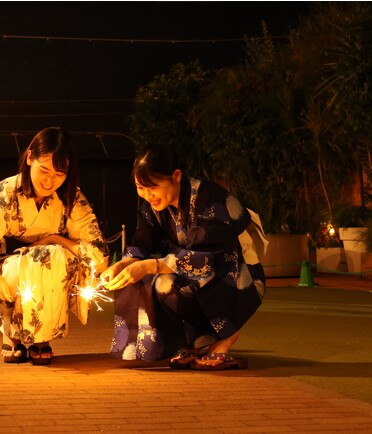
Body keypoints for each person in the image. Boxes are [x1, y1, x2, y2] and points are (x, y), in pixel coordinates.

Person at [100, 144, 266, 370]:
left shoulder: (209, 198)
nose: (148, 196)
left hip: (234, 270)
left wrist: (152, 265)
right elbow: (143, 242)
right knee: (155, 283)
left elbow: (210, 256)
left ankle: (228, 335)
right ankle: (196, 341)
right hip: (189, 265)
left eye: (153, 188)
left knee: (160, 275)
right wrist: (124, 263)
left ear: (176, 176)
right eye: (141, 188)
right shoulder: (153, 206)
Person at [0, 127, 109, 365]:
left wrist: (54, 240)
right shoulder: (5, 194)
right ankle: (11, 333)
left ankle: (42, 336)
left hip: (54, 265)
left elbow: (98, 255)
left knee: (51, 257)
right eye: (44, 170)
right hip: (8, 265)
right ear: (29, 158)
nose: (50, 181)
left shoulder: (71, 198)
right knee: (24, 265)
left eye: (60, 174)